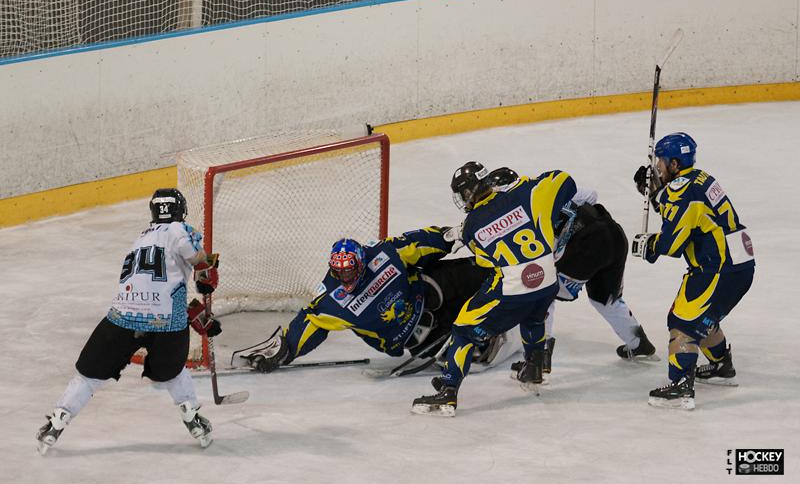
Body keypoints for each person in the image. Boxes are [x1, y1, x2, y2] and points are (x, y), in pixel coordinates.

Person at [36, 189, 222, 454]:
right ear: (180, 211)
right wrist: (204, 286)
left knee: (89, 376)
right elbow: (202, 269)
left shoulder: (140, 239)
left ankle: (56, 422)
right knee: (173, 371)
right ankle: (193, 420)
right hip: (167, 323)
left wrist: (195, 305)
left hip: (123, 317)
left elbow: (149, 284)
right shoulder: (180, 229)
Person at [412, 161, 577, 417]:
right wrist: (525, 186)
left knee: (464, 331)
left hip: (513, 288)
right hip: (546, 280)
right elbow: (565, 180)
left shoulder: (471, 227)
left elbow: (486, 261)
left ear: (467, 193)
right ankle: (534, 366)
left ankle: (448, 390)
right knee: (533, 315)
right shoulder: (528, 193)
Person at [230, 231, 516, 375]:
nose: (344, 277)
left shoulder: (385, 253)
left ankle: (517, 281)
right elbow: (310, 323)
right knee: (454, 336)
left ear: (362, 263)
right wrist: (283, 352)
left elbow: (422, 243)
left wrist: (456, 234)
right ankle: (478, 337)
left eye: (349, 270)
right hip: (410, 336)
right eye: (338, 272)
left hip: (424, 295)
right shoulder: (332, 300)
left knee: (476, 272)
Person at [488, 167, 657, 376]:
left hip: (588, 245)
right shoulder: (543, 185)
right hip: (613, 233)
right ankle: (639, 343)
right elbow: (590, 195)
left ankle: (539, 358)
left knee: (543, 293)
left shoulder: (521, 214)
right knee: (605, 299)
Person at [632, 132, 755, 410]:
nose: (658, 168)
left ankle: (680, 386)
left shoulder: (680, 190)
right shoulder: (700, 178)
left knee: (682, 322)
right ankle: (721, 366)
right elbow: (686, 215)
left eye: (661, 162)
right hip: (739, 262)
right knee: (703, 315)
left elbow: (673, 243)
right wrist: (656, 195)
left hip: (718, 268)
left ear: (675, 163)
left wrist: (648, 245)